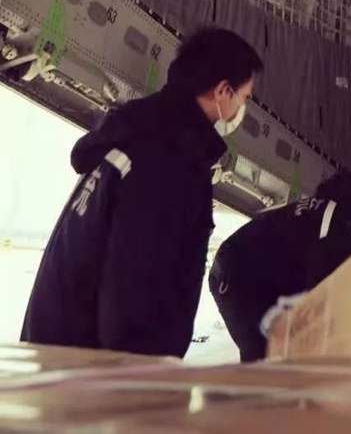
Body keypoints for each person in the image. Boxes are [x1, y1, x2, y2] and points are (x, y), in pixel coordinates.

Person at [21, 28, 262, 357]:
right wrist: (145, 377)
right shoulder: (169, 159)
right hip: (89, 372)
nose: (241, 109)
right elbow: (135, 298)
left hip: (58, 355)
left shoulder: (133, 138)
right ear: (223, 91)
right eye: (244, 97)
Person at [209, 175, 351, 361]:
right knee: (269, 365)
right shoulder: (347, 227)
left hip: (276, 281)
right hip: (240, 272)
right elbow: (321, 302)